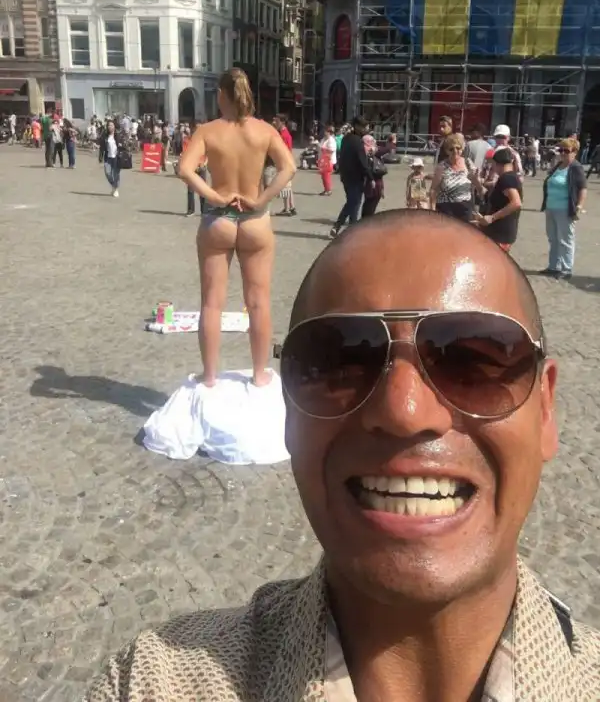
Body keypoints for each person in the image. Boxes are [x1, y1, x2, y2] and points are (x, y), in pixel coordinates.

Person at [86, 209, 600, 702]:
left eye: (471, 361)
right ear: (288, 409)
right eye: (340, 362)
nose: (404, 411)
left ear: (545, 409)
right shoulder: (154, 684)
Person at [177, 68, 296, 387]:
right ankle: (259, 374)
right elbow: (289, 167)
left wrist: (214, 195)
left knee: (211, 303)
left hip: (218, 218)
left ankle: (209, 376)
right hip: (255, 220)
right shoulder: (264, 130)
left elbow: (185, 169)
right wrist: (261, 200)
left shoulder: (208, 130)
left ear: (221, 95)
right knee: (259, 302)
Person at [541, 137, 587, 279]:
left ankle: (566, 269)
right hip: (551, 207)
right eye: (560, 150)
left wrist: (579, 206)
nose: (562, 153)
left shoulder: (576, 167)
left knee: (566, 240)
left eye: (566, 151)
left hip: (565, 209)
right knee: (553, 238)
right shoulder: (558, 165)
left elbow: (583, 188)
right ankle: (553, 266)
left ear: (574, 152)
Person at [330, 116, 374, 238]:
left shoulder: (346, 138)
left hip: (345, 176)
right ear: (357, 126)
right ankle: (339, 226)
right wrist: (371, 177)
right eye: (364, 126)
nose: (366, 129)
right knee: (353, 202)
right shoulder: (357, 141)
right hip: (356, 178)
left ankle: (351, 228)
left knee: (353, 202)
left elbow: (342, 156)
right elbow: (363, 162)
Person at [472, 147, 523, 251]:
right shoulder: (508, 177)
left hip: (500, 233)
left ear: (496, 163)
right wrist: (476, 182)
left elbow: (516, 202)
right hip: (498, 232)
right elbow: (489, 196)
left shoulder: (507, 178)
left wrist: (492, 217)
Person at [430, 133, 484, 221]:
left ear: (462, 149)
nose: (455, 151)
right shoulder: (441, 167)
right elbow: (433, 190)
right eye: (451, 149)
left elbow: (479, 188)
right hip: (446, 208)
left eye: (458, 148)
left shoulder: (468, 163)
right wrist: (432, 209)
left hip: (465, 208)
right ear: (447, 151)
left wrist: (476, 180)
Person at [273, 114, 297, 215]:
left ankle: (287, 208)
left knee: (284, 184)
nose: (275, 123)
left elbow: (282, 150)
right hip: (287, 161)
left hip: (284, 162)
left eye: (277, 121)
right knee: (288, 185)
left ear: (282, 122)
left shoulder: (283, 135)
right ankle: (292, 207)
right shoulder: (285, 133)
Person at [361, 133, 384, 217]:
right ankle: (366, 219)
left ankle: (366, 218)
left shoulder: (373, 150)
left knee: (371, 202)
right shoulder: (367, 150)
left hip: (374, 181)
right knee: (370, 202)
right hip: (372, 181)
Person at [100, 120, 124, 198]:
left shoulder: (118, 135)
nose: (110, 127)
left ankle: (116, 189)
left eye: (111, 125)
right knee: (107, 173)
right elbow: (102, 147)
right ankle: (114, 186)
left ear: (114, 126)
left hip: (117, 157)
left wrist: (121, 145)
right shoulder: (105, 136)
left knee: (116, 174)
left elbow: (123, 145)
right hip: (108, 157)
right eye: (108, 125)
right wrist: (100, 156)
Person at [318, 125, 336, 195]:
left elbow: (331, 150)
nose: (324, 132)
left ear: (329, 132)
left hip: (328, 160)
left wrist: (322, 148)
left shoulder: (331, 140)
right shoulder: (324, 139)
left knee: (326, 176)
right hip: (323, 160)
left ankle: (328, 190)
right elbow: (320, 146)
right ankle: (326, 189)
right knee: (323, 176)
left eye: (326, 131)